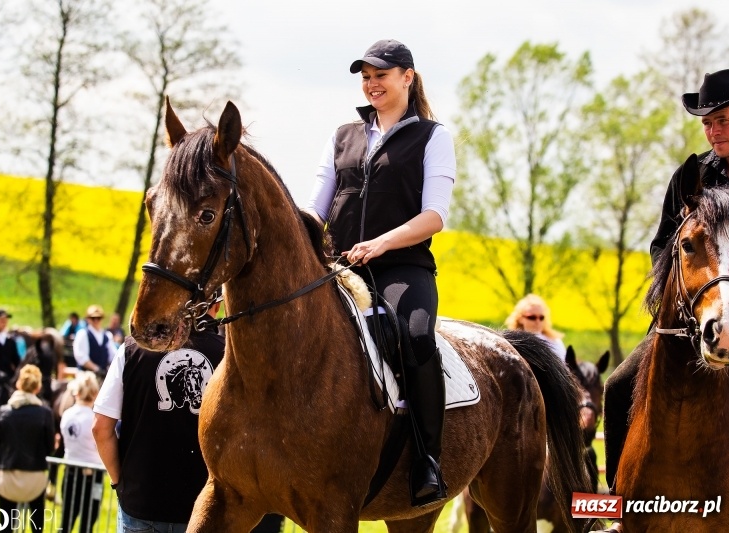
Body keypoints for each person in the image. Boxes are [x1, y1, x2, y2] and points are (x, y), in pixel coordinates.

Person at [305, 39, 456, 506]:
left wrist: (381, 243)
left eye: (381, 75)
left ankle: (428, 459)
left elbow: (435, 215)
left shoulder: (433, 137)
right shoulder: (343, 135)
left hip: (401, 268)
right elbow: (315, 209)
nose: (372, 84)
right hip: (339, 266)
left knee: (416, 336)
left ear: (407, 77)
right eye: (366, 77)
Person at [600, 69, 729, 533]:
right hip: (692, 315)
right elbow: (663, 246)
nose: (712, 131)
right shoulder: (692, 177)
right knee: (618, 385)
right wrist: (688, 297)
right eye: (707, 123)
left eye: (722, 120)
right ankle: (617, 510)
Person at [92, 289, 283, 533]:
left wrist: (119, 481)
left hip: (140, 504)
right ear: (216, 305)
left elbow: (100, 428)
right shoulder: (232, 358)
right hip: (207, 512)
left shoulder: (131, 349)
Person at [0, 364, 55, 533]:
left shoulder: (3, 411)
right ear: (38, 387)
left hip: (7, 475)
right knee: (36, 525)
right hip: (35, 477)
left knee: (5, 525)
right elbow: (50, 448)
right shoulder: (45, 413)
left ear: (18, 384)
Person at [60, 371, 104, 533]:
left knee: (66, 520)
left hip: (70, 471)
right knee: (87, 523)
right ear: (95, 393)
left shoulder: (66, 414)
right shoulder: (95, 418)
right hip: (92, 474)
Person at [504, 294, 566, 360]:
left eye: (541, 317)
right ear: (520, 318)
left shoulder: (554, 342)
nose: (537, 321)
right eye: (532, 317)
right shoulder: (511, 342)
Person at [73, 305, 117, 377]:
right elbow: (80, 356)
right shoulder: (83, 334)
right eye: (93, 318)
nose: (96, 320)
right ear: (88, 319)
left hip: (103, 375)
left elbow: (113, 356)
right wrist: (96, 369)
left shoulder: (107, 335)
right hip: (86, 375)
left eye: (98, 318)